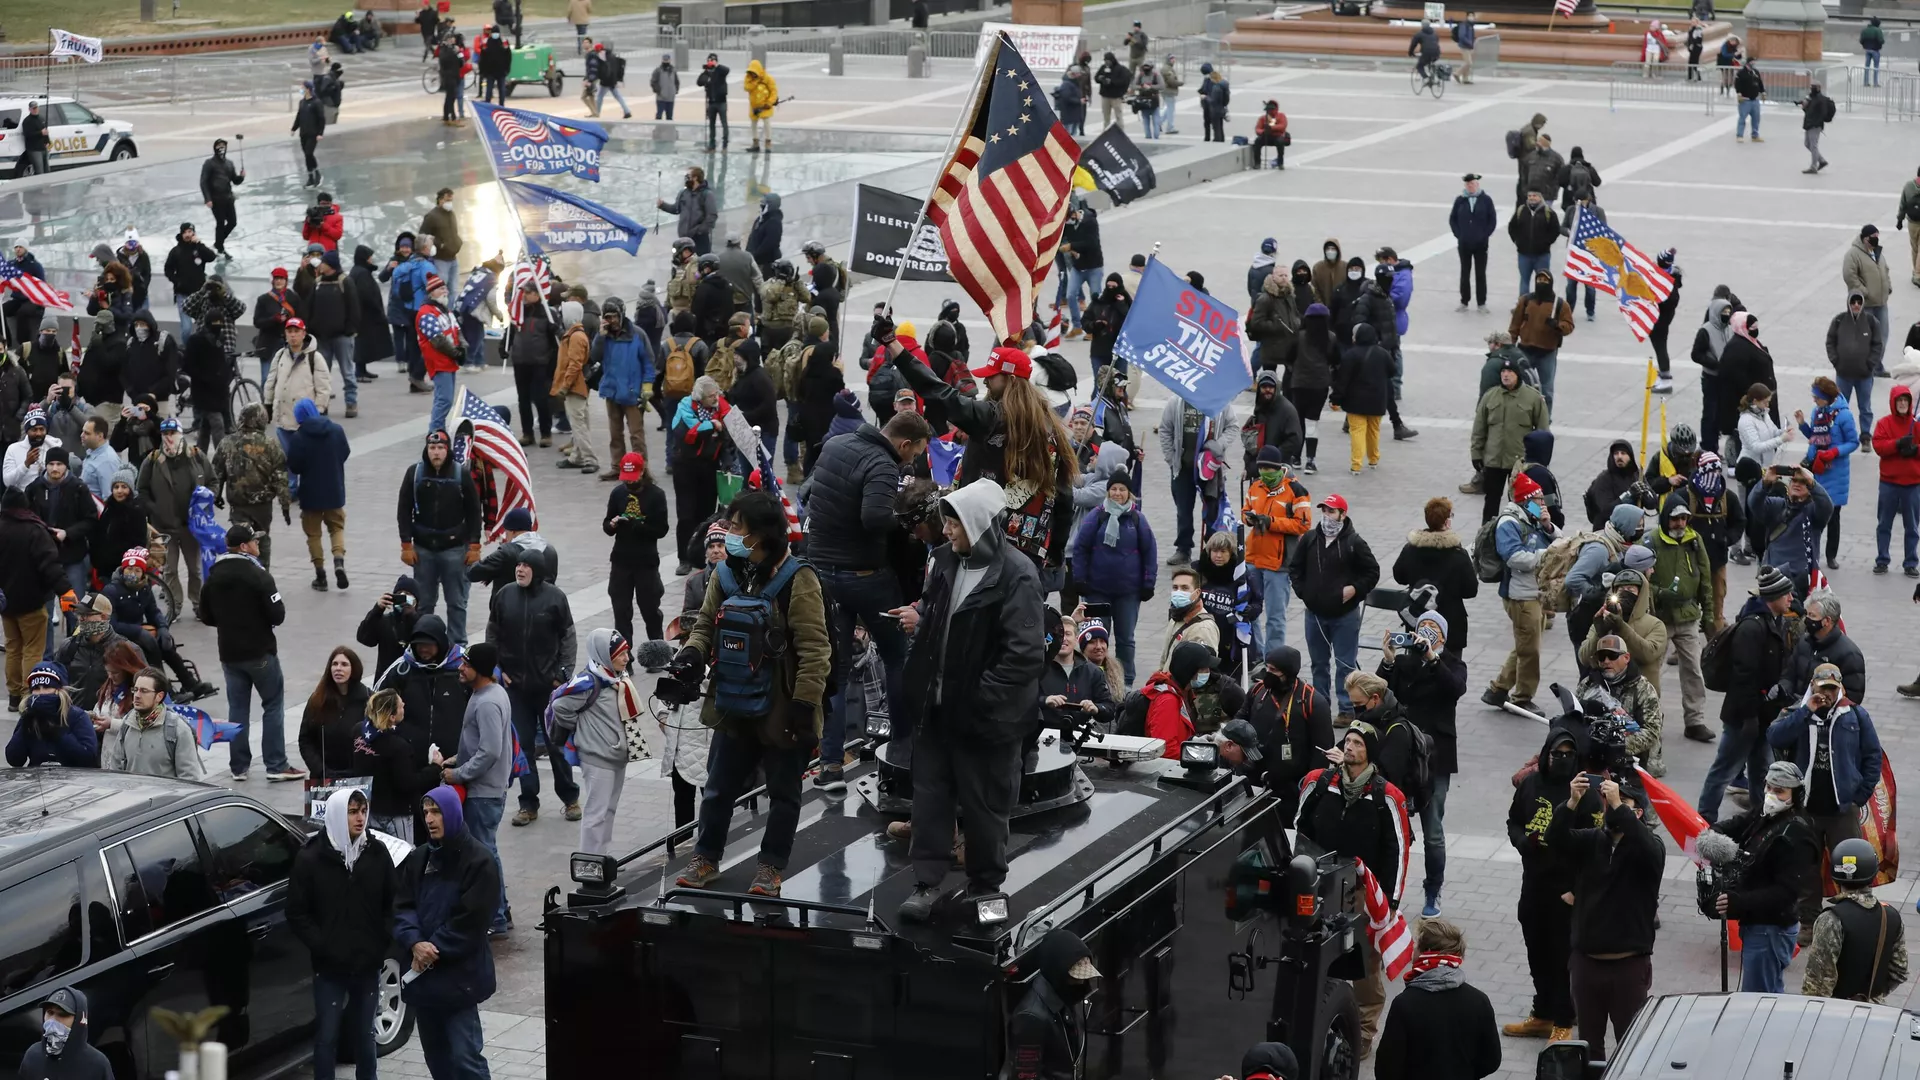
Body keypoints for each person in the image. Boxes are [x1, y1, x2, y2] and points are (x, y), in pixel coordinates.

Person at [885, 478, 1044, 922]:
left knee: (986, 807)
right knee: (930, 798)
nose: (947, 529)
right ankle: (926, 884)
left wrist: (978, 699)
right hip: (936, 712)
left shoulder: (1018, 574)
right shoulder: (942, 562)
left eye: (954, 522)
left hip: (986, 721)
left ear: (979, 523)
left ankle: (986, 888)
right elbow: (933, 620)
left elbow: (1024, 656)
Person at [671, 491, 831, 900]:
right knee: (719, 787)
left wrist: (803, 707)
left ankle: (770, 867)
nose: (729, 532)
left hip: (782, 707)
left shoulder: (799, 579)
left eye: (738, 526)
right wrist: (691, 655)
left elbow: (815, 650)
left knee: (783, 793)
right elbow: (706, 623)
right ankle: (705, 858)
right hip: (733, 702)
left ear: (760, 535)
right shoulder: (725, 575)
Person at [804, 410, 930, 781]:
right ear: (904, 443)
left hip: (824, 576)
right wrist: (907, 516)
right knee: (897, 657)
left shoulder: (835, 445)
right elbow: (875, 517)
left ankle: (830, 764)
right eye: (915, 453)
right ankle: (904, 749)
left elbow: (812, 494)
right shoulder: (883, 463)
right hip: (865, 577)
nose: (913, 461)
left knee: (836, 673)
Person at [1296, 721, 1412, 1057]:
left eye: (1359, 743)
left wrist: (1390, 901)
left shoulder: (1388, 796)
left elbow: (1398, 850)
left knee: (1365, 965)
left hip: (1363, 894)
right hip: (1319, 886)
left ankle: (1363, 1031)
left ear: (1370, 752)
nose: (1350, 747)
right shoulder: (1317, 783)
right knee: (1312, 952)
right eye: (1348, 741)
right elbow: (1298, 831)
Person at [1550, 770, 1662, 1063]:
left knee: (1630, 1045)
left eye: (1622, 802)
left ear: (1637, 812)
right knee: (1588, 1046)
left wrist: (1619, 805)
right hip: (1587, 965)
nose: (1611, 806)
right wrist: (1571, 802)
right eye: (1609, 801)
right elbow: (1555, 839)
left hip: (1628, 967)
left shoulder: (1649, 848)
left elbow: (1648, 849)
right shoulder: (1592, 842)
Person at [289, 786, 395, 1080]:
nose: (360, 819)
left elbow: (393, 903)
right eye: (352, 812)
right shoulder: (310, 859)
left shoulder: (376, 853)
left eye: (363, 811)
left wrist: (381, 942)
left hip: (367, 964)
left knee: (365, 1035)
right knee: (327, 1037)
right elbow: (297, 912)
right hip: (330, 968)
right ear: (338, 814)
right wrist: (322, 946)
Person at [1769, 660, 1882, 932]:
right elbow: (1774, 737)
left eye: (1832, 688)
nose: (1827, 694)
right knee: (1806, 870)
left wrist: (1859, 797)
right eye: (1822, 688)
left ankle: (1853, 923)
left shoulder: (1854, 715)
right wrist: (1805, 712)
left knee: (1850, 865)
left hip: (1842, 810)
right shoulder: (1798, 711)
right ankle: (1807, 924)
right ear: (1812, 686)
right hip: (1806, 808)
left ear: (1840, 687)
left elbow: (1872, 756)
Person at [395, 787, 500, 1076]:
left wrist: (431, 949)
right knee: (437, 1057)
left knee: (465, 1058)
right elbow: (402, 907)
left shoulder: (480, 861)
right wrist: (415, 942)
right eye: (426, 811)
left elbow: (471, 921)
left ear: (452, 813)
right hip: (424, 981)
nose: (429, 819)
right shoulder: (418, 859)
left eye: (436, 811)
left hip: (458, 981)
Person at [1699, 760, 1818, 993]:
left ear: (1795, 795)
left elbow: (1786, 893)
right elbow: (1735, 824)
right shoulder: (1765, 813)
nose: (1771, 794)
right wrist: (1714, 838)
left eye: (1779, 791)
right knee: (1764, 997)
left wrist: (1739, 903)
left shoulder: (1797, 834)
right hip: (1757, 924)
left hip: (1771, 929)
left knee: (1760, 1002)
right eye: (1769, 787)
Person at [1379, 610, 1466, 916]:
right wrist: (1389, 660)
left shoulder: (1452, 663)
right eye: (1422, 626)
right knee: (1389, 825)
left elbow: (1454, 689)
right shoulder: (1403, 663)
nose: (1426, 631)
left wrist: (1431, 658)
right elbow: (1381, 695)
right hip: (1403, 752)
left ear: (1441, 637)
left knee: (1433, 831)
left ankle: (1433, 890)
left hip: (1435, 758)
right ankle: (1386, 890)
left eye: (1432, 628)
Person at [203, 523, 304, 782]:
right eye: (254, 541)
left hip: (229, 653)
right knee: (272, 705)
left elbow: (206, 615)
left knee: (237, 709)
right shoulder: (258, 575)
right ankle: (275, 764)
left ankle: (239, 767)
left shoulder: (213, 575)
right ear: (244, 546)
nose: (258, 544)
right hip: (260, 652)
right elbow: (278, 614)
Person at [1697, 565, 1796, 822]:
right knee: (1724, 770)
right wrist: (1750, 718)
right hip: (1743, 718)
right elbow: (1744, 678)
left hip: (1762, 716)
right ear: (1774, 597)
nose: (1791, 598)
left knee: (1761, 770)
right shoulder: (1752, 628)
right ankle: (1704, 819)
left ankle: (1760, 816)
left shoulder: (1775, 622)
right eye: (1787, 594)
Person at [486, 551, 577, 827]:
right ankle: (528, 804)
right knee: (522, 748)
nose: (520, 570)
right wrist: (497, 670)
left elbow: (568, 638)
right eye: (518, 565)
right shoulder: (504, 595)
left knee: (556, 746)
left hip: (548, 690)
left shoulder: (555, 598)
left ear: (537, 570)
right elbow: (493, 634)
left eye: (526, 566)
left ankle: (570, 799)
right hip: (516, 689)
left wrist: (562, 675)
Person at [1373, 918, 1501, 1080]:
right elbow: (1492, 1060)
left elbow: (1386, 1068)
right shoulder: (1479, 1001)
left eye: (1416, 946)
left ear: (1425, 952)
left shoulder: (1405, 1004)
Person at [1286, 493, 1377, 721]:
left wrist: (1355, 589)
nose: (1327, 516)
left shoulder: (1354, 543)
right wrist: (1304, 593)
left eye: (1331, 511)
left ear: (1342, 514)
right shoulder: (1309, 539)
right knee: (1318, 664)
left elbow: (1372, 572)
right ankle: (1321, 707)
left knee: (1345, 664)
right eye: (1324, 511)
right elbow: (1295, 569)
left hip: (1345, 616)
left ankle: (1347, 709)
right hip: (1315, 615)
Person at [548, 629, 638, 856]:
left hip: (617, 757)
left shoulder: (617, 678)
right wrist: (584, 730)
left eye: (626, 652)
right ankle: (589, 864)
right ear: (605, 655)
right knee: (596, 814)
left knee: (609, 811)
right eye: (620, 654)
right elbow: (561, 707)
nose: (626, 658)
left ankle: (602, 858)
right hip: (597, 758)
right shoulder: (589, 682)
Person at [397, 431, 483, 644]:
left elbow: (474, 511)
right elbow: (403, 510)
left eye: (440, 448)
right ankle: (424, 642)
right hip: (423, 549)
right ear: (427, 450)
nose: (436, 452)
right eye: (432, 448)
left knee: (456, 602)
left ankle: (458, 646)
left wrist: (474, 545)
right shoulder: (414, 474)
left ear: (448, 450)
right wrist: (406, 543)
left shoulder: (461, 474)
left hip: (455, 549)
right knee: (424, 603)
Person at [1481, 473, 1557, 712]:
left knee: (1526, 644)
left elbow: (1560, 542)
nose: (1543, 504)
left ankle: (1497, 689)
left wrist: (1548, 526)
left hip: (1537, 592)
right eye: (1538, 500)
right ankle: (1522, 698)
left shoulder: (1534, 518)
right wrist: (1546, 557)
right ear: (1526, 500)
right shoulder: (1510, 523)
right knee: (1530, 649)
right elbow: (1513, 557)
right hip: (1521, 595)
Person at [1803, 838, 1908, 1001]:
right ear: (1873, 875)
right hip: (1873, 1011)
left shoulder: (1830, 919)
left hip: (1837, 1014)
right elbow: (1899, 971)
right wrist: (1873, 994)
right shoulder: (1891, 916)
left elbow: (1817, 984)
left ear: (1835, 877)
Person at [1648, 503, 1714, 742]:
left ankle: (1695, 721)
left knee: (1694, 670)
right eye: (1676, 519)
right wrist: (1660, 593)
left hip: (1688, 617)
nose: (1680, 524)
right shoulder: (1652, 540)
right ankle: (1650, 720)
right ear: (1666, 518)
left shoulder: (1694, 540)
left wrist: (1709, 617)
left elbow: (1706, 579)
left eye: (1684, 519)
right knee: (1652, 670)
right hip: (1660, 619)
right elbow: (1640, 577)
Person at [1006, 928, 1098, 1080]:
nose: (1082, 982)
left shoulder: (1070, 997)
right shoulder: (1031, 1018)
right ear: (1058, 972)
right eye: (1075, 977)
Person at [1242, 450, 1311, 652]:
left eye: (1268, 468)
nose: (1264, 472)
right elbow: (1245, 509)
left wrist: (1271, 522)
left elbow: (1303, 524)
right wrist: (1249, 518)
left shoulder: (1297, 490)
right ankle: (1256, 652)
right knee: (1247, 611)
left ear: (1279, 468)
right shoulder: (1255, 486)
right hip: (1252, 559)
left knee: (1275, 617)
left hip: (1277, 564)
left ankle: (1272, 661)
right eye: (1261, 468)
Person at [1469, 354, 1551, 523]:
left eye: (1510, 372)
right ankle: (1486, 533)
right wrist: (1476, 454)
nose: (1505, 375)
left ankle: (1539, 524)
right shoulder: (1490, 396)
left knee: (1525, 500)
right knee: (1491, 500)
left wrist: (1541, 462)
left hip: (1520, 462)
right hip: (1494, 460)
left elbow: (1543, 433)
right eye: (1503, 372)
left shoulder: (1533, 398)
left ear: (1517, 374)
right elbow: (1479, 428)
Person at [1393, 498, 1478, 654]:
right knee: (1450, 672)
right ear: (1447, 522)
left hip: (1418, 620)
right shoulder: (1458, 554)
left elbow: (1399, 576)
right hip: (1451, 625)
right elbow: (1471, 590)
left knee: (1417, 668)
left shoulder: (1411, 549)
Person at [1579, 634, 1667, 776]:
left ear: (1626, 658)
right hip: (1593, 756)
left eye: (1612, 655)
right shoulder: (1588, 684)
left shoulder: (1643, 689)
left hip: (1634, 760)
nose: (1606, 661)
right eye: (1601, 657)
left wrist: (1617, 745)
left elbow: (1652, 732)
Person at [98, 666, 206, 779]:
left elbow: (189, 779)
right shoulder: (128, 723)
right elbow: (116, 769)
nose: (137, 695)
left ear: (159, 696)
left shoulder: (178, 730)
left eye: (144, 691)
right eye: (135, 690)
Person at [1799, 377, 1861, 568]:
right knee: (1810, 513)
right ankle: (1810, 551)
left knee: (1833, 516)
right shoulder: (1817, 412)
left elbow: (1853, 442)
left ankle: (1831, 555)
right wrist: (1803, 425)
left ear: (1827, 397)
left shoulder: (1844, 415)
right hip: (1816, 469)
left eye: (1817, 397)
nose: (1814, 401)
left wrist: (1834, 452)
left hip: (1835, 472)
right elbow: (1815, 437)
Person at [1747, 463, 1832, 599]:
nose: (1797, 484)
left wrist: (1812, 483)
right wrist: (1765, 482)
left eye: (1803, 482)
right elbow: (1753, 503)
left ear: (1810, 488)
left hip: (1801, 580)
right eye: (1794, 480)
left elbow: (1827, 506)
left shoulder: (1814, 512)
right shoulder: (1776, 505)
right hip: (1774, 577)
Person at [5, 663, 97, 768]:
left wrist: (58, 733)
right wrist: (25, 727)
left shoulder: (77, 716)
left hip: (73, 781)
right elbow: (14, 760)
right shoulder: (30, 717)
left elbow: (88, 758)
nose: (41, 693)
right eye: (37, 688)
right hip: (38, 779)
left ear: (59, 690)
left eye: (46, 687)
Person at [1872, 382, 1920, 575]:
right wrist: (1898, 444)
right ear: (1893, 402)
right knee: (1884, 524)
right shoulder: (1884, 423)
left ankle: (1911, 562)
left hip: (1913, 484)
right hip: (1889, 483)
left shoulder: (1916, 425)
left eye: (1905, 400)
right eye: (1899, 400)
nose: (1902, 403)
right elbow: (1879, 446)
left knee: (1912, 527)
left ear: (1910, 403)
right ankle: (1882, 559)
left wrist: (1915, 450)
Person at [1136, 641, 1214, 757]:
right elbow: (1164, 749)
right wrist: (1197, 756)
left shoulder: (1184, 692)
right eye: (1204, 669)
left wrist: (1193, 741)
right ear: (1190, 671)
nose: (1208, 672)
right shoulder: (1168, 701)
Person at [1332, 324, 1392, 473]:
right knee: (1374, 431)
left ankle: (1356, 465)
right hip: (1377, 400)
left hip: (1355, 401)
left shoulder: (1351, 355)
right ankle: (1373, 459)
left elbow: (1342, 380)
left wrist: (1336, 398)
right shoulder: (1383, 354)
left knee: (1357, 431)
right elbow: (1392, 371)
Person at [19, 988, 111, 1080]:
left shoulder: (97, 1064)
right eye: (50, 1012)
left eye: (62, 1014)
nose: (53, 1020)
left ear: (78, 1020)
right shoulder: (33, 1055)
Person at [1450, 173, 1496, 313]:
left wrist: (1484, 235)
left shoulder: (1486, 200)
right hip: (1464, 243)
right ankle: (1464, 301)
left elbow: (1492, 220)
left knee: (1480, 273)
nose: (1471, 186)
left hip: (1481, 244)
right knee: (1465, 272)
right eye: (1468, 184)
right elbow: (1453, 219)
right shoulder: (1460, 200)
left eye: (1473, 183)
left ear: (1477, 184)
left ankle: (1481, 302)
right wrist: (1459, 234)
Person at [198, 139, 245, 254]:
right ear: (215, 148)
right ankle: (220, 247)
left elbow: (234, 180)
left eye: (223, 146)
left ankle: (218, 243)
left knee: (232, 222)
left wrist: (241, 177)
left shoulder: (229, 163)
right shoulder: (209, 163)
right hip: (216, 199)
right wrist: (207, 198)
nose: (221, 148)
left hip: (228, 198)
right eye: (219, 146)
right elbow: (203, 181)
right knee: (220, 223)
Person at [696, 54, 731, 152]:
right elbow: (699, 82)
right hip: (711, 102)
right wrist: (706, 72)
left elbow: (727, 70)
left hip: (721, 102)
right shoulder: (707, 72)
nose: (710, 62)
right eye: (709, 61)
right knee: (711, 124)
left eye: (712, 61)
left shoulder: (720, 71)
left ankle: (725, 144)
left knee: (724, 123)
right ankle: (712, 145)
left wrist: (717, 66)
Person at [744, 59, 778, 151]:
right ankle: (755, 143)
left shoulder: (768, 78)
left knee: (767, 123)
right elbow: (747, 88)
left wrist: (769, 102)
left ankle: (768, 142)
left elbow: (774, 92)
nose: (753, 74)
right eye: (751, 72)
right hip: (754, 106)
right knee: (753, 124)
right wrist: (756, 81)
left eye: (754, 72)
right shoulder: (749, 78)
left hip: (765, 106)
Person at [1734, 57, 1766, 140]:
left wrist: (1763, 92)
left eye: (1754, 62)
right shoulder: (1741, 73)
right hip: (1745, 100)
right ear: (1748, 63)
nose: (1753, 64)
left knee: (1756, 119)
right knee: (1742, 118)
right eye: (1752, 62)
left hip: (1755, 99)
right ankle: (1739, 135)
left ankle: (1755, 135)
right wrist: (1739, 93)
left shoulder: (1755, 72)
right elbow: (1737, 84)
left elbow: (1760, 82)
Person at [1198, 63, 1230, 143]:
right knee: (1211, 123)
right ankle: (1210, 137)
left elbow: (1213, 98)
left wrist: (1205, 97)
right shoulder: (1210, 80)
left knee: (1216, 125)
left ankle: (1217, 140)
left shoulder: (1215, 84)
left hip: (1212, 106)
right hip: (1210, 105)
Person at [650, 51, 678, 118]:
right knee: (659, 115)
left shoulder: (673, 70)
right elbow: (653, 82)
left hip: (670, 98)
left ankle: (669, 128)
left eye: (667, 60)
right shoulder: (658, 70)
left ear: (669, 60)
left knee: (669, 116)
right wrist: (659, 91)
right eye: (664, 60)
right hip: (661, 98)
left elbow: (676, 81)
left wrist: (675, 91)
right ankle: (658, 128)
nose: (665, 62)